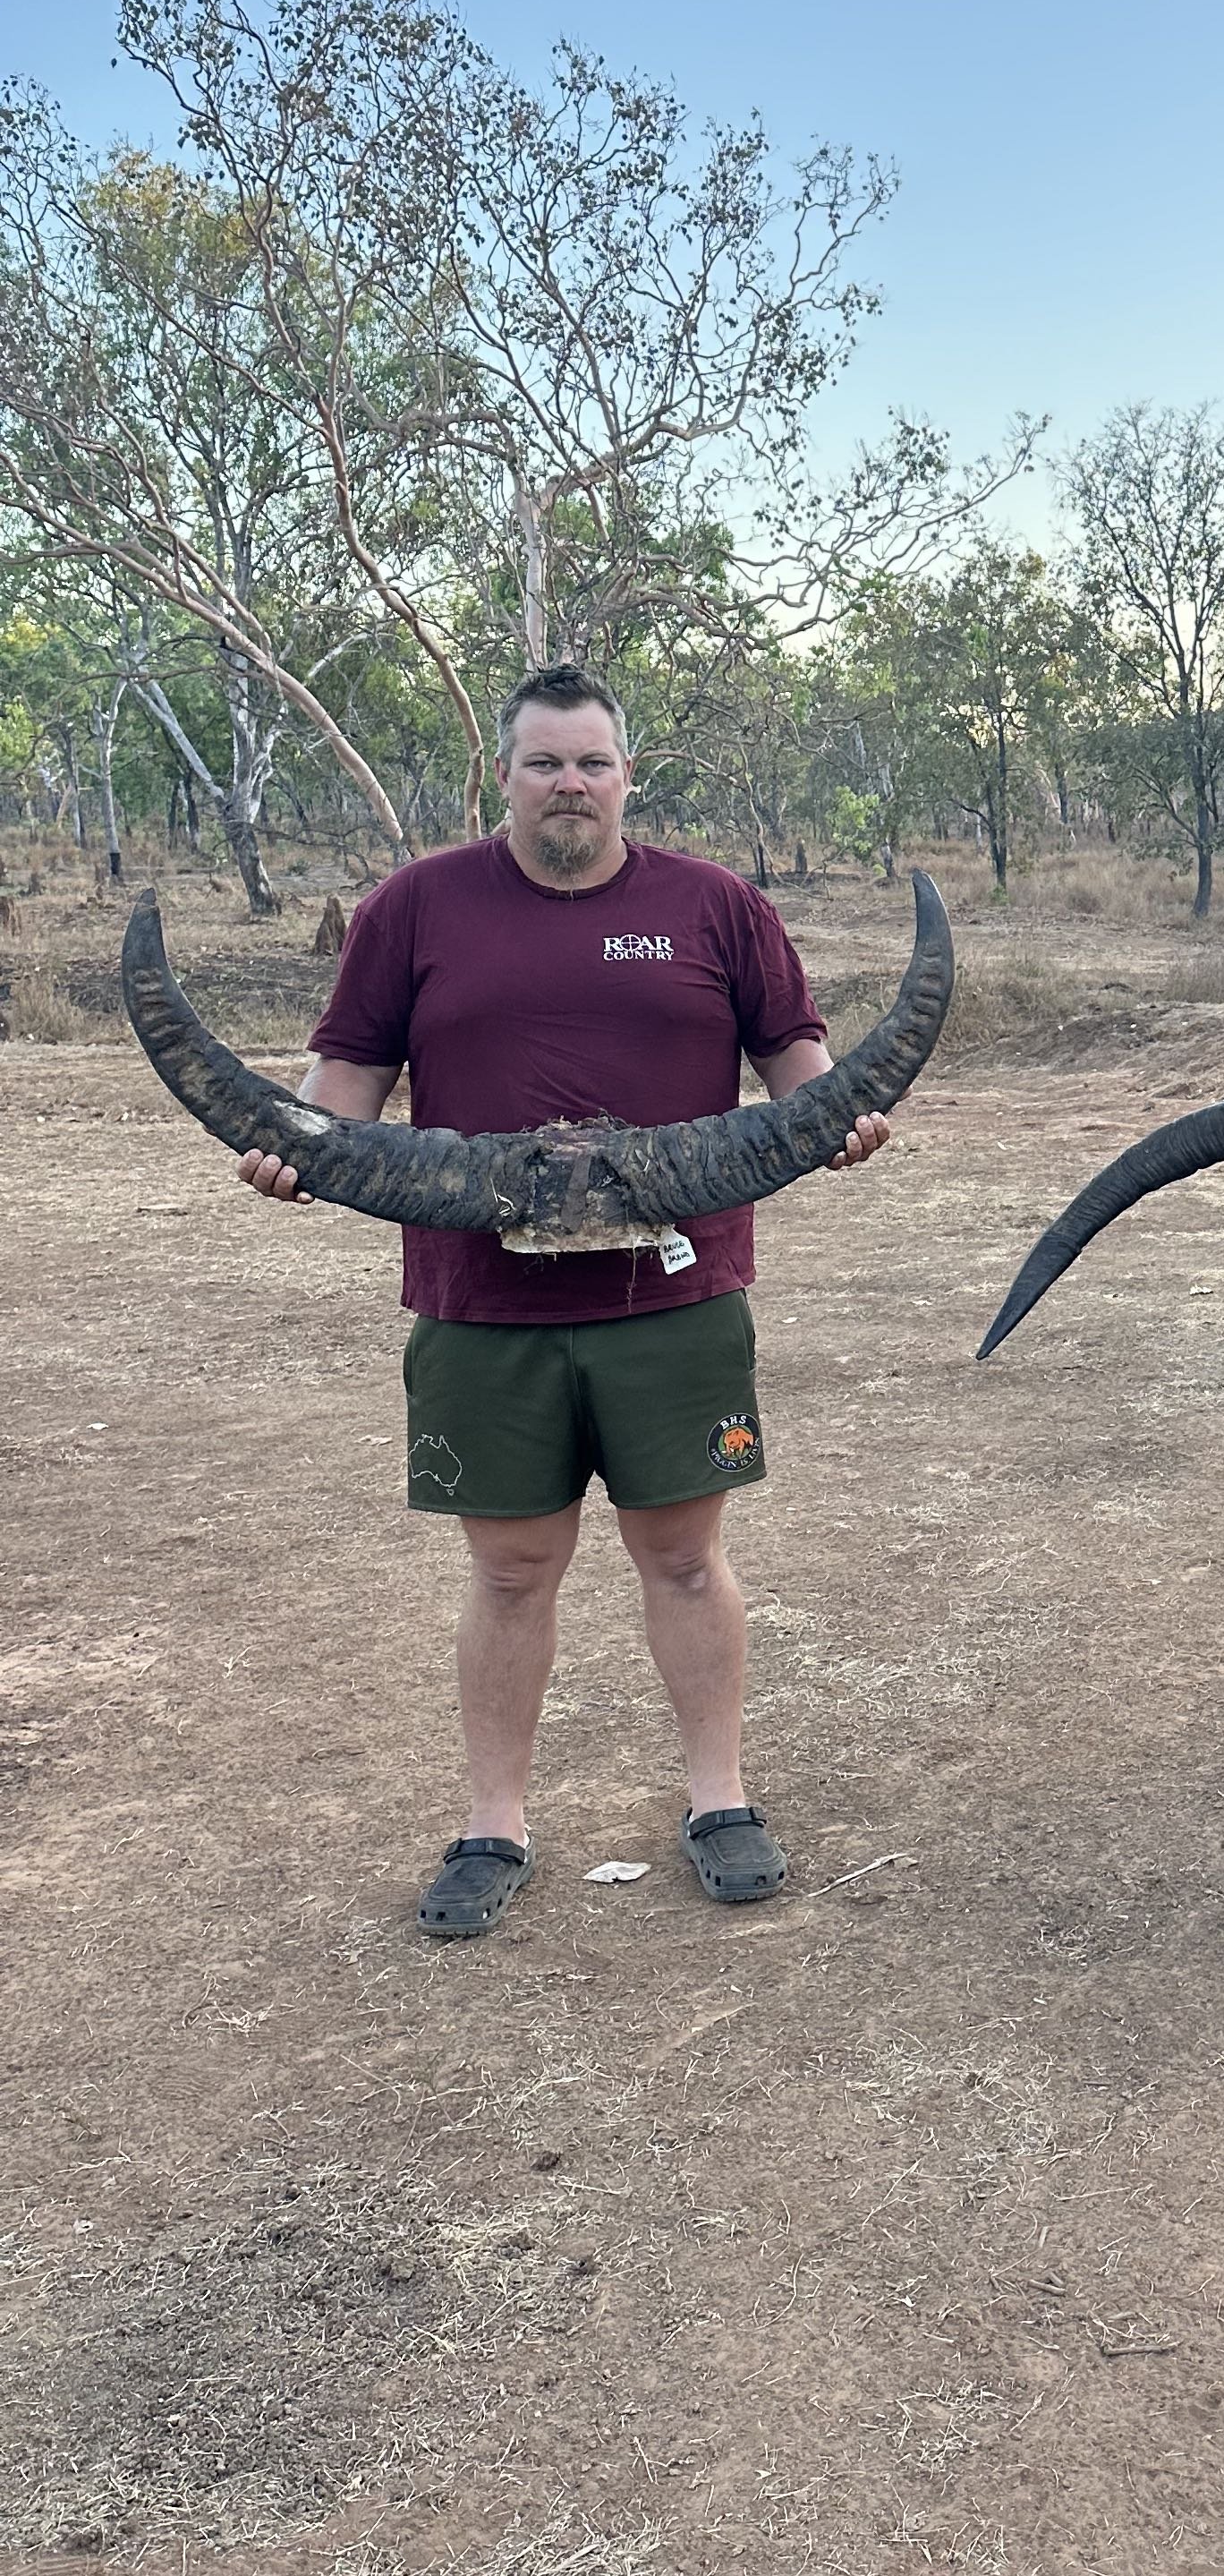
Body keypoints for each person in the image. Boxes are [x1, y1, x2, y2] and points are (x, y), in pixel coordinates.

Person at [237, 664, 891, 1936]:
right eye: (545, 763)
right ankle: (495, 1824)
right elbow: (345, 1086)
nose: (571, 785)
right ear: (507, 777)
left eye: (592, 762)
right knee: (510, 1570)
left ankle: (719, 1801)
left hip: (678, 1296)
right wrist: (296, 1148)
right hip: (481, 1304)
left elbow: (801, 1065)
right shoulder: (414, 908)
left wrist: (841, 1118)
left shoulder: (717, 906)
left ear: (627, 774)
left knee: (688, 1559)